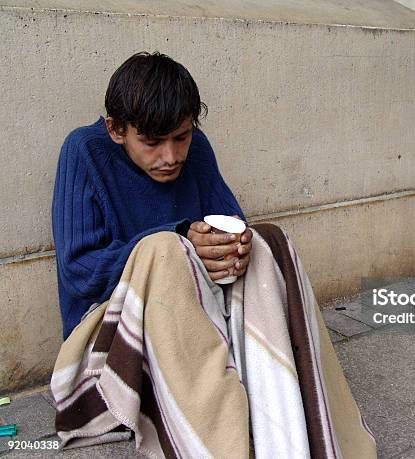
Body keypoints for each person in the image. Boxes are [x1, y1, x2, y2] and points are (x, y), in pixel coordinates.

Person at [50, 52, 376, 458]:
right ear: (117, 130)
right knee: (165, 249)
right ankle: (214, 446)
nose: (170, 157)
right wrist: (177, 238)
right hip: (113, 338)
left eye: (181, 137)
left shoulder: (196, 149)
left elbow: (231, 223)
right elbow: (79, 272)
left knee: (266, 242)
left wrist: (233, 251)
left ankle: (292, 426)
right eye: (151, 143)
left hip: (195, 318)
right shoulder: (84, 150)